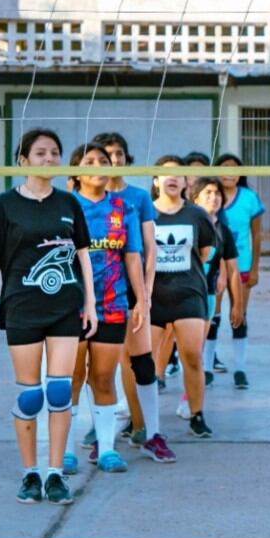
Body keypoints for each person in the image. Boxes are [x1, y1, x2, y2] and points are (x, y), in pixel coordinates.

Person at [0, 127, 96, 505]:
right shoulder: (3, 206)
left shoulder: (69, 204)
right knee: (30, 398)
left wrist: (89, 304)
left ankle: (55, 474)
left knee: (60, 392)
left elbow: (83, 255)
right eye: (40, 153)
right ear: (23, 159)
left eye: (55, 153)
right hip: (22, 307)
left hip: (64, 308)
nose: (49, 159)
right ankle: (30, 473)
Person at [92, 132, 173, 463]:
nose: (113, 161)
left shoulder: (138, 198)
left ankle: (152, 434)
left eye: (119, 155)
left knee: (143, 363)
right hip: (96, 297)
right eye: (106, 155)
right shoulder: (80, 198)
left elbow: (149, 250)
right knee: (100, 368)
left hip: (131, 293)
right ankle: (102, 435)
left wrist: (146, 295)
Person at [68, 142, 148, 473]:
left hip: (113, 303)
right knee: (71, 377)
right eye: (90, 160)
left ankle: (106, 449)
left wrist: (141, 300)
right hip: (71, 305)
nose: (99, 164)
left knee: (103, 377)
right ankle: (66, 450)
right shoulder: (67, 205)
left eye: (103, 159)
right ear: (75, 170)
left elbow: (132, 256)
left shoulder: (122, 207)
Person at [150, 155, 218, 439]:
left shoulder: (196, 215)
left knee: (192, 356)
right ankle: (143, 419)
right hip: (153, 297)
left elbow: (204, 253)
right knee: (146, 363)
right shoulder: (145, 213)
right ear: (155, 180)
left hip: (189, 293)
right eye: (166, 174)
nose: (173, 178)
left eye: (178, 173)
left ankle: (196, 414)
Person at [174, 176, 242, 418]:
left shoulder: (222, 230)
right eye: (208, 193)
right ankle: (136, 406)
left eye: (217, 194)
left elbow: (229, 265)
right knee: (161, 353)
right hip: (172, 293)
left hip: (204, 296)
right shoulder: (183, 221)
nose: (214, 198)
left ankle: (189, 401)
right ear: (195, 198)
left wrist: (237, 304)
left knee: (194, 352)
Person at [215, 153, 264, 389]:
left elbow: (256, 235)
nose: (230, 172)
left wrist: (255, 268)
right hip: (213, 267)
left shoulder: (249, 198)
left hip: (241, 266)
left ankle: (240, 369)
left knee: (239, 315)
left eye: (235, 168)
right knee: (210, 316)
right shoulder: (210, 196)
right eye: (225, 167)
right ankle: (205, 368)